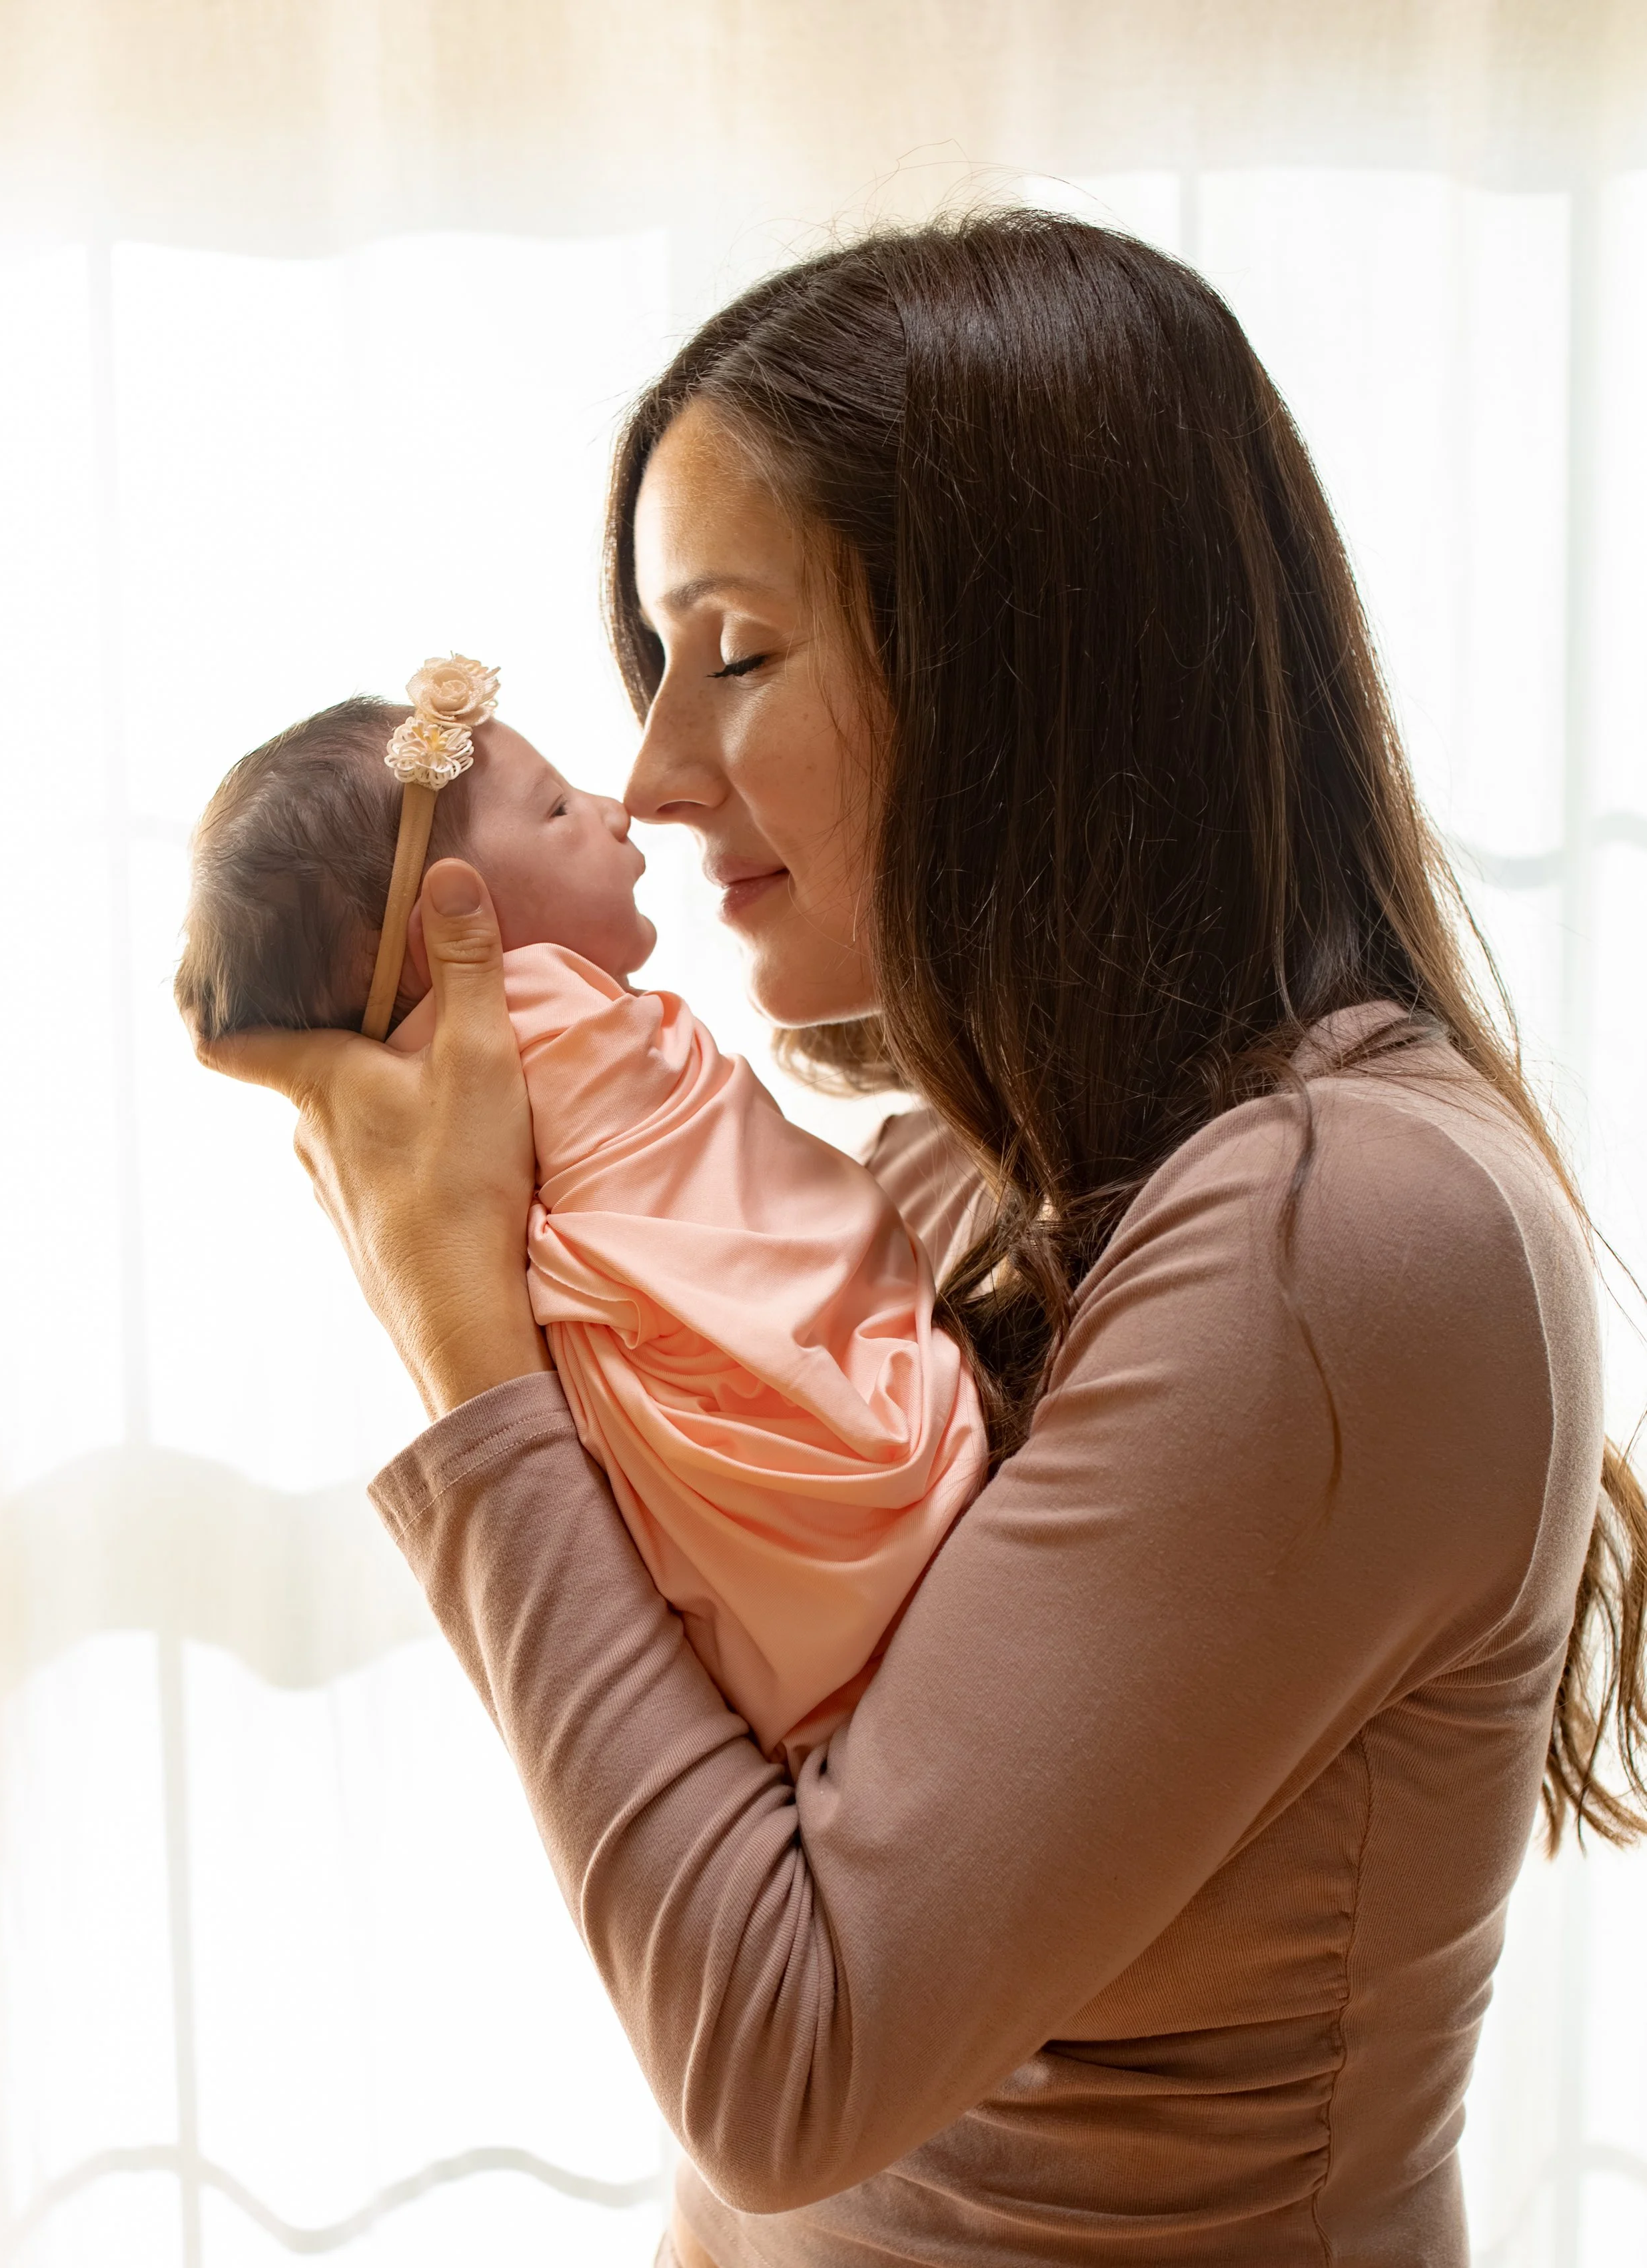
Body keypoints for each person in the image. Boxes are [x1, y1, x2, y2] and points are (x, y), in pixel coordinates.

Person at [199, 213, 1647, 2265]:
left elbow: (785, 2061)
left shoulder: (1345, 1230)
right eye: (652, 662)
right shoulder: (966, 1177)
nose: (653, 774)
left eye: (739, 651)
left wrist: (461, 1348)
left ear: (1031, 668)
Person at [173, 681, 982, 1764]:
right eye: (556, 810)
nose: (617, 809)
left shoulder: (442, 1112)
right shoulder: (533, 1018)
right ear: (445, 931)